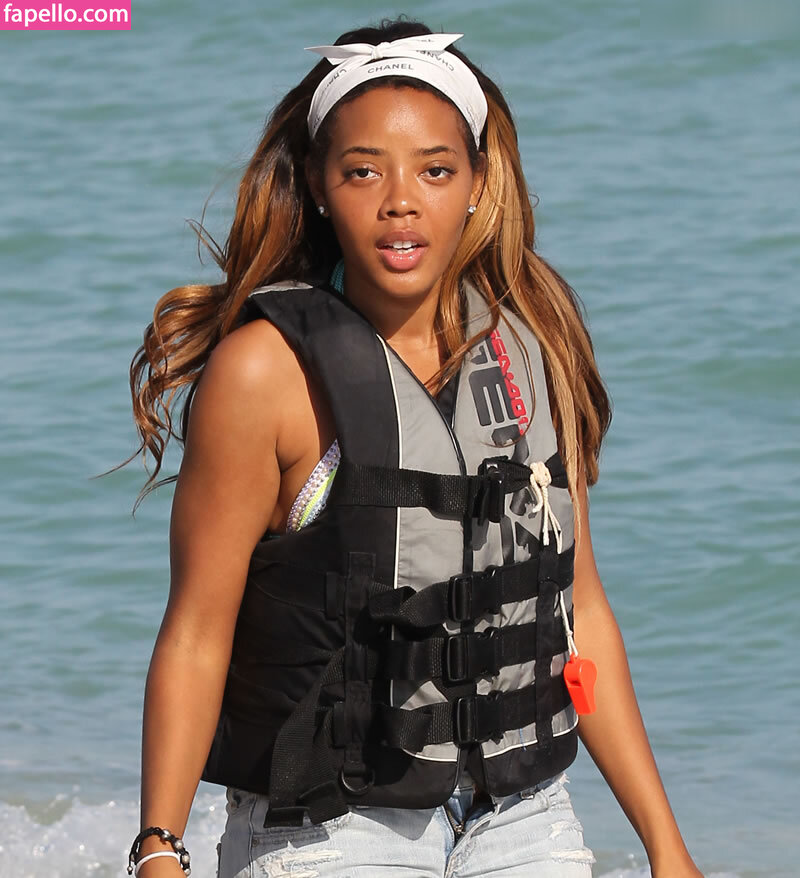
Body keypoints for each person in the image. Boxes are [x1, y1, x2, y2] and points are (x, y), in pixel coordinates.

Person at [122, 18, 704, 878]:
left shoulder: (532, 346)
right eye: (364, 171)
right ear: (319, 185)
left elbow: (580, 610)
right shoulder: (265, 373)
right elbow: (196, 632)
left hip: (524, 817)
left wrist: (667, 847)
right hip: (329, 827)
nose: (401, 201)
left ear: (476, 183)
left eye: (435, 170)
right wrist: (158, 850)